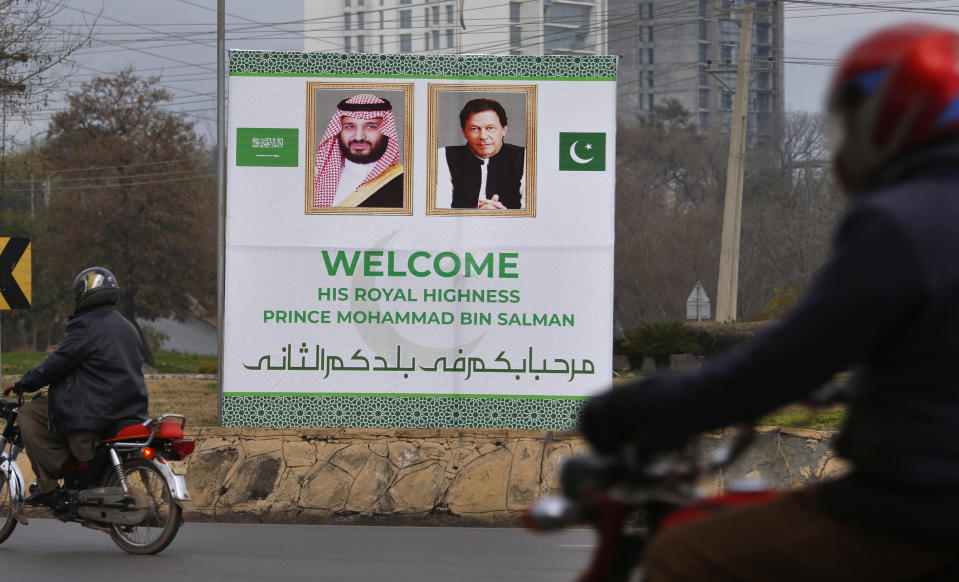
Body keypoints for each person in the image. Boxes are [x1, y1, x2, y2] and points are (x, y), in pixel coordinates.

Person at [580, 24, 959, 581]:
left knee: (679, 554)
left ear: (895, 113)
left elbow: (783, 362)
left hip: (918, 511)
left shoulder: (904, 220)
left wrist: (642, 405)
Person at [2, 267, 149, 508]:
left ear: (84, 293)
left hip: (92, 408)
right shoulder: (127, 327)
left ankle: (50, 484)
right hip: (130, 408)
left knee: (28, 413)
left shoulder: (85, 325)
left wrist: (23, 383)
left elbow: (56, 363)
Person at [312, 93, 404, 208]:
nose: (359, 137)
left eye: (371, 127)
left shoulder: (403, 182)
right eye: (350, 126)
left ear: (386, 132)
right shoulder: (312, 178)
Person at [436, 98, 526, 210]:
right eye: (474, 129)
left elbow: (532, 214)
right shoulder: (443, 156)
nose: (483, 136)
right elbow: (438, 210)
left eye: (490, 128)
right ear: (464, 132)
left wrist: (504, 215)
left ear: (504, 130)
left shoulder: (526, 157)